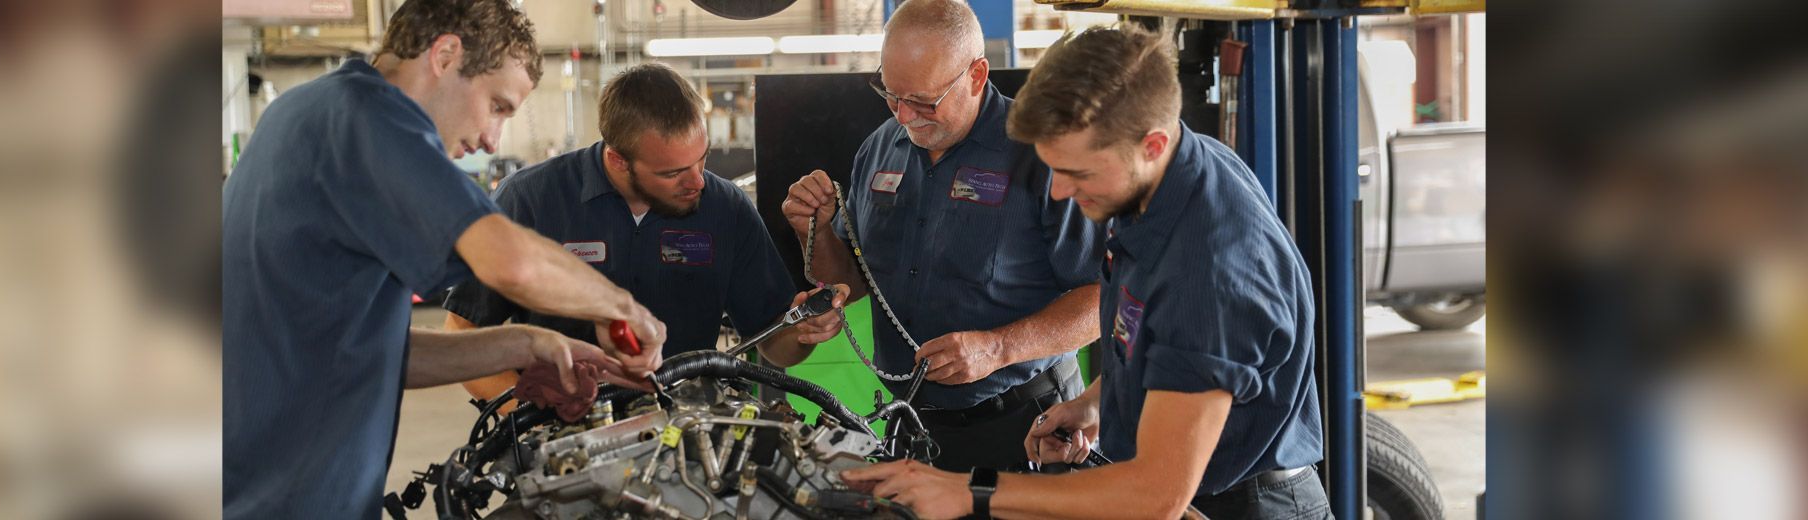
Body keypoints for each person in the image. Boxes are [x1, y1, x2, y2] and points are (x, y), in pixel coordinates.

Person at [842, 24, 1329, 520]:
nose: (1058, 193)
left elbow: (1155, 496)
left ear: (1152, 145)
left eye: (1078, 174)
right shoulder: (1180, 171)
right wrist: (1099, 403)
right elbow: (1157, 342)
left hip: (1236, 502)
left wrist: (969, 492)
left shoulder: (1207, 275)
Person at [222, 1, 667, 517]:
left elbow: (365, 350)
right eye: (497, 106)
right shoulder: (367, 119)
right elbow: (511, 263)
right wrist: (623, 309)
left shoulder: (306, 113)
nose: (492, 138)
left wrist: (528, 344)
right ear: (446, 55)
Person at [779, 0, 1105, 473]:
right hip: (911, 427)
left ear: (976, 76)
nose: (905, 117)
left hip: (1026, 426)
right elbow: (852, 282)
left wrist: (998, 348)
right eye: (891, 95)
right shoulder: (878, 150)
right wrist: (817, 230)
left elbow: (1104, 299)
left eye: (923, 102)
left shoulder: (1042, 156)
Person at [443, 63, 849, 404]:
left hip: (687, 444)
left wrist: (802, 333)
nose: (698, 183)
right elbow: (462, 331)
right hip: (561, 442)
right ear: (618, 159)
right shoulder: (531, 201)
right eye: (672, 173)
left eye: (701, 159)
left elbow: (774, 343)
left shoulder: (726, 209)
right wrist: (522, 420)